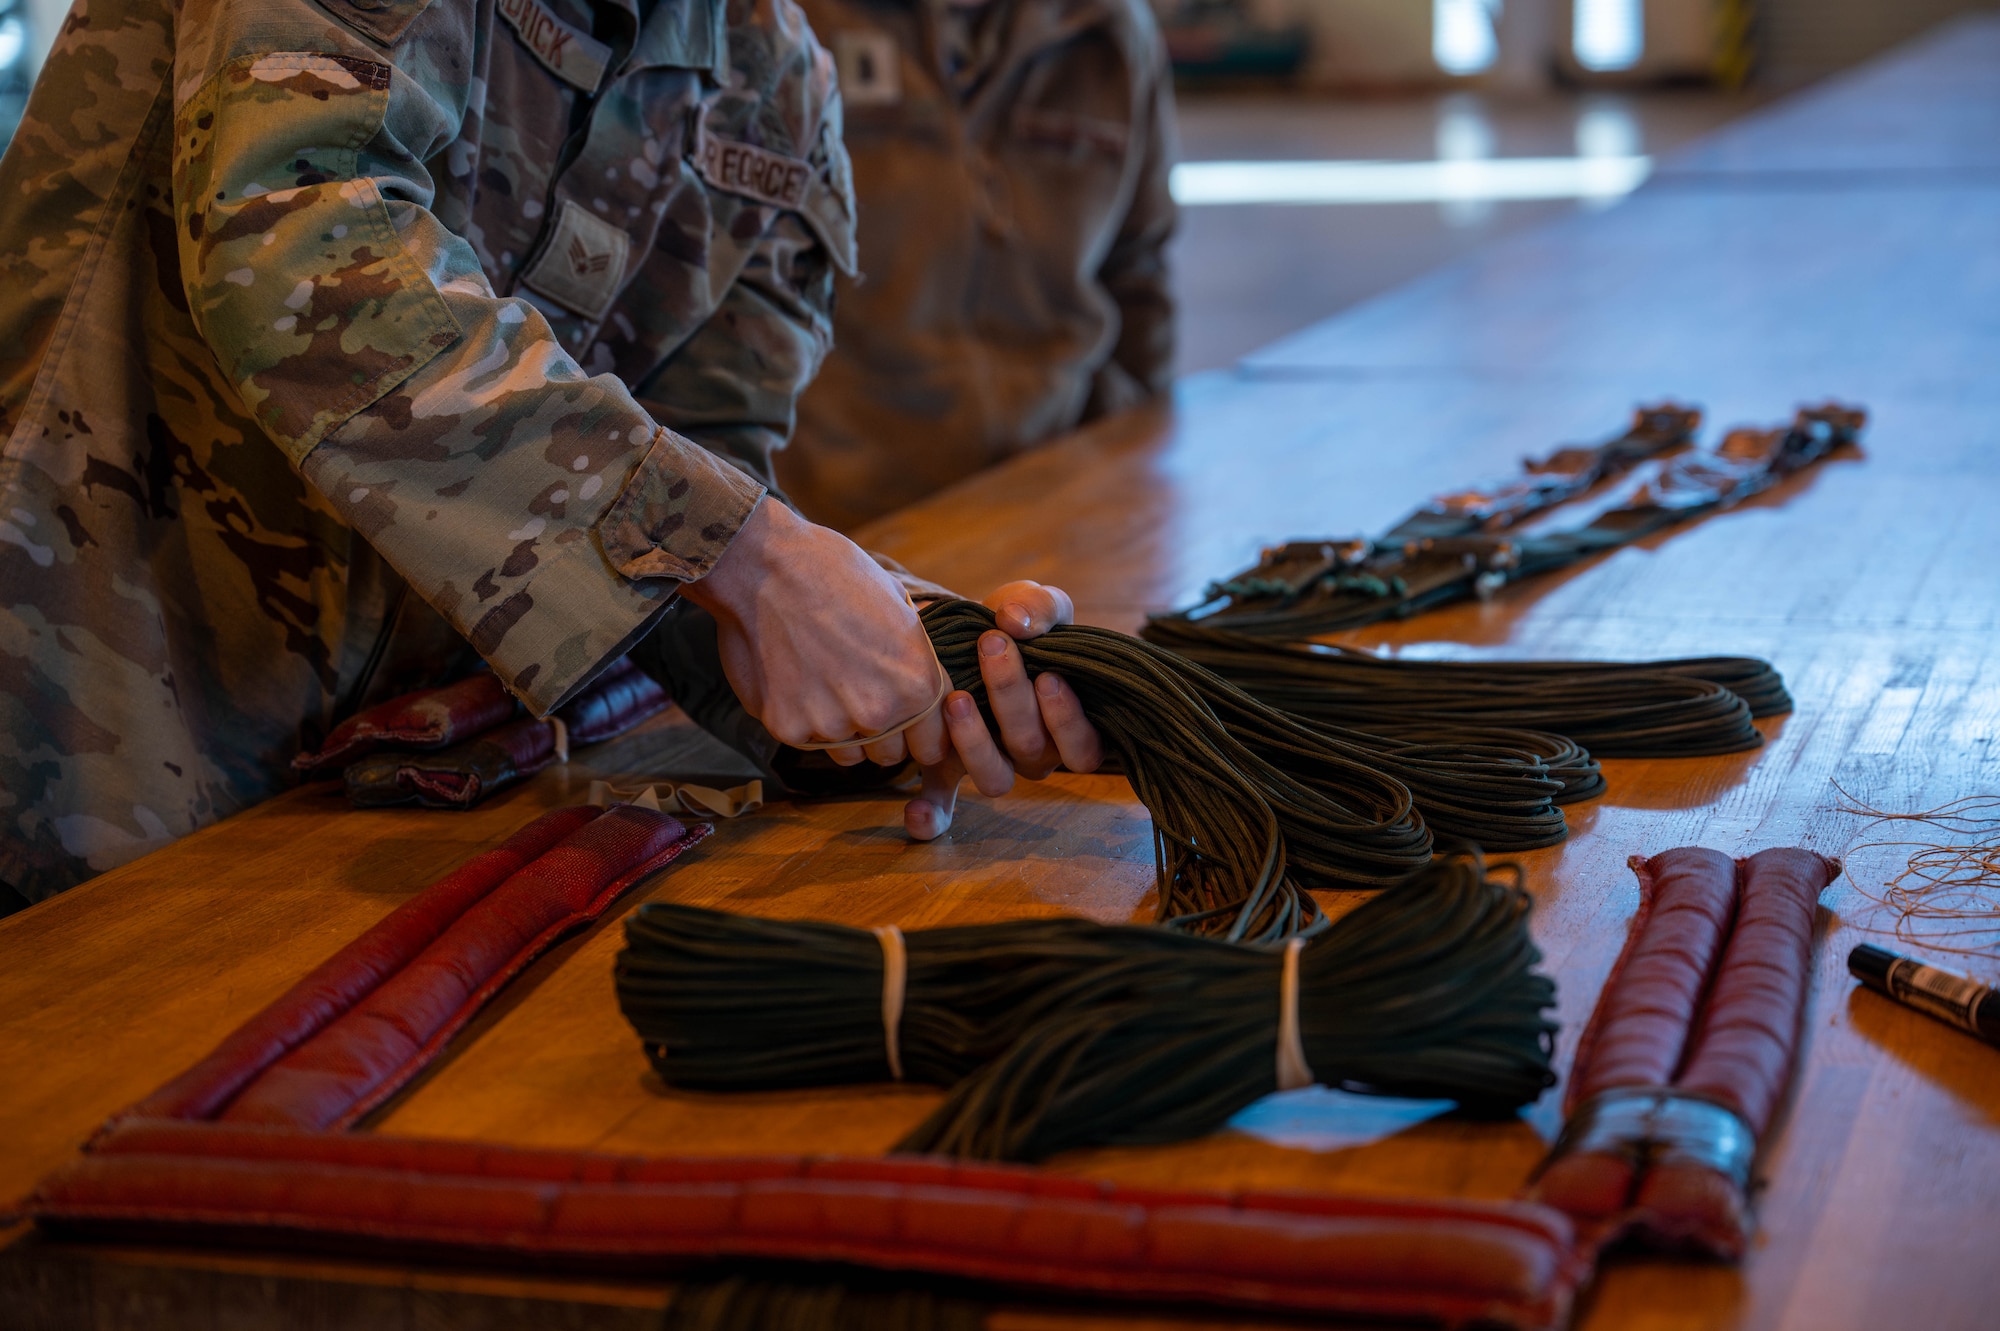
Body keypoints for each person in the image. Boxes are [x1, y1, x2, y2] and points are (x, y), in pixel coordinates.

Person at [0, 0, 1098, 915]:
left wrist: (901, 665)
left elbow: (694, 503)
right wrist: (753, 561)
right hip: (89, 696)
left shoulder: (768, 84)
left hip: (384, 785)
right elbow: (306, 251)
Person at [772, 0, 1178, 533]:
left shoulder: (1107, 31)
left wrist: (1132, 464)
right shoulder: (790, 24)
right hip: (848, 517)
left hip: (1066, 494)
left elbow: (1138, 268)